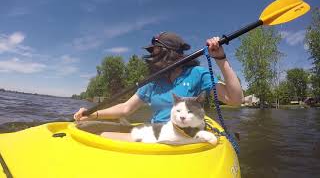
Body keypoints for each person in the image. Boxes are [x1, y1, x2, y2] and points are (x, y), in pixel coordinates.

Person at [74, 32, 243, 139]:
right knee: (86, 128)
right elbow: (126, 108)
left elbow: (235, 99)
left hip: (184, 134)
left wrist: (220, 58)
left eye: (154, 50)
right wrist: (92, 114)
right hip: (156, 132)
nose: (151, 55)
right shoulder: (154, 81)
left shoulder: (197, 73)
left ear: (168, 51)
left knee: (104, 135)